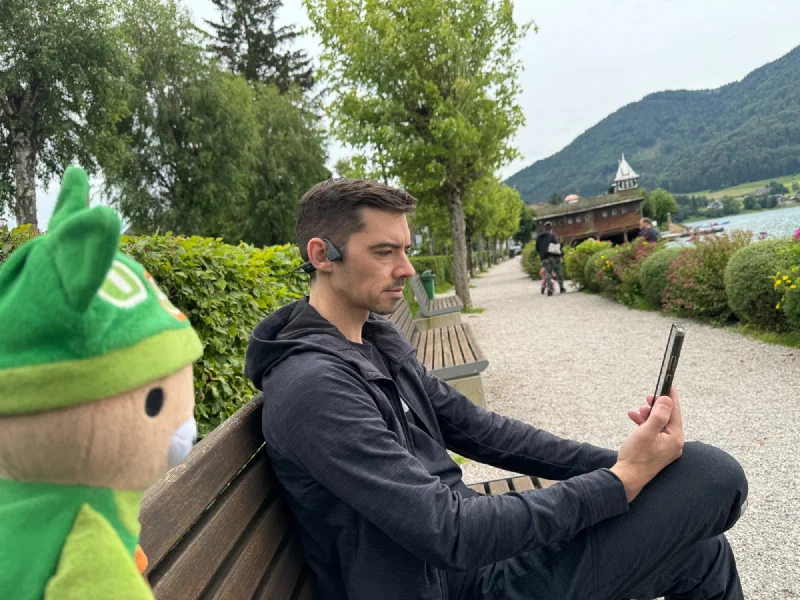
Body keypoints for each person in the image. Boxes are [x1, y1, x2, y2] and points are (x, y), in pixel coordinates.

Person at [244, 178, 748, 600]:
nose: (407, 268)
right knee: (713, 475)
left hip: (464, 569)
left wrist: (625, 463)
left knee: (702, 545)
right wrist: (620, 482)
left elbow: (485, 431)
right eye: (384, 252)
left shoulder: (372, 338)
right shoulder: (314, 388)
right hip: (452, 584)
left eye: (406, 250)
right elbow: (450, 530)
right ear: (322, 254)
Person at [535, 221, 565, 295]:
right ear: (551, 228)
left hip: (544, 258)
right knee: (559, 272)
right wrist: (562, 254)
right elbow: (558, 246)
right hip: (554, 257)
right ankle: (561, 287)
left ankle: (550, 289)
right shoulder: (553, 235)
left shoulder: (539, 237)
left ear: (544, 228)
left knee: (547, 273)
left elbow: (537, 248)